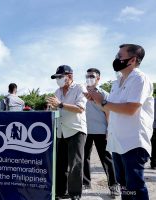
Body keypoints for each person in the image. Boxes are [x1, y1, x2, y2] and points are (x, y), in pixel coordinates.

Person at [88, 44, 154, 200]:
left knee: (135, 188)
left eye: (119, 56)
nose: (116, 59)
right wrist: (97, 101)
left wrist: (103, 103)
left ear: (132, 60)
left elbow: (131, 109)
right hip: (117, 141)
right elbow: (110, 109)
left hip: (133, 142)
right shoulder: (116, 82)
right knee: (124, 186)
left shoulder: (140, 79)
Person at [47, 65, 87, 200]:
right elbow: (57, 110)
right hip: (61, 131)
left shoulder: (80, 88)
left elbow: (80, 108)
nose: (57, 80)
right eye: (56, 77)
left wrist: (60, 104)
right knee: (60, 163)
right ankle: (60, 192)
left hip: (76, 130)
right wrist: (52, 108)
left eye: (60, 77)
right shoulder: (57, 92)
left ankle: (75, 194)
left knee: (75, 163)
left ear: (69, 76)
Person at [83, 68, 119, 197]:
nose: (89, 78)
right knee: (84, 157)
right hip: (84, 130)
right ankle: (85, 182)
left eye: (92, 76)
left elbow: (109, 112)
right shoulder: (81, 92)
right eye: (87, 76)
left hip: (101, 130)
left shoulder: (104, 94)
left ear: (98, 78)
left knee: (107, 159)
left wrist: (109, 129)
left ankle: (114, 185)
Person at [151, 98, 156, 169]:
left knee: (154, 146)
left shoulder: (153, 100)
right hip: (154, 126)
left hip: (153, 126)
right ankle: (153, 163)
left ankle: (153, 163)